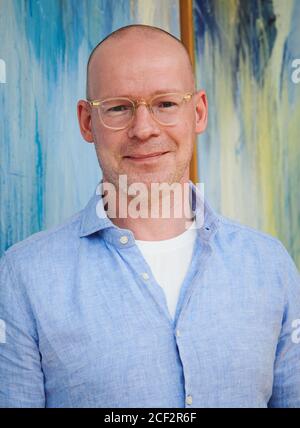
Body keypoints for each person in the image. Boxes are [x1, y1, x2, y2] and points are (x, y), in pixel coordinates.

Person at [0, 24, 299, 408]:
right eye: (119, 107)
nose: (143, 129)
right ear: (87, 122)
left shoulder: (270, 265)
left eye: (166, 104)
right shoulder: (23, 278)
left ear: (199, 112)